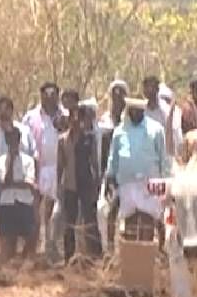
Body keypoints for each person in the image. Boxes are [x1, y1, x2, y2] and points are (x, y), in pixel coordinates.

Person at [104, 97, 169, 239]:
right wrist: (110, 177)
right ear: (128, 110)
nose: (136, 113)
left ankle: (156, 253)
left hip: (151, 183)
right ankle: (129, 254)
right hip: (127, 183)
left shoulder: (156, 129)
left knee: (151, 220)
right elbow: (113, 158)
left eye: (139, 110)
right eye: (133, 110)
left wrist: (166, 182)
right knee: (130, 223)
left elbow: (163, 158)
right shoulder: (120, 131)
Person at [23, 83, 65, 259]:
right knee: (38, 211)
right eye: (46, 94)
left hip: (60, 169)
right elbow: (25, 142)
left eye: (53, 94)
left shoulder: (65, 116)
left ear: (57, 96)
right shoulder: (31, 117)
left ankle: (54, 246)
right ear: (40, 96)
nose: (49, 98)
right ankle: (37, 249)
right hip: (39, 168)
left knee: (58, 211)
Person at [56, 100, 102, 261]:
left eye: (78, 118)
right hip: (70, 184)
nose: (75, 121)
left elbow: (94, 163)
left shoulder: (90, 138)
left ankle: (93, 255)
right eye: (73, 118)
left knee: (89, 218)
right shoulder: (62, 140)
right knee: (69, 221)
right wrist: (58, 185)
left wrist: (97, 182)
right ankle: (69, 256)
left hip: (86, 184)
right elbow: (60, 165)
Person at [0, 126, 37, 260]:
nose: (13, 143)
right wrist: (11, 162)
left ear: (19, 141)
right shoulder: (0, 162)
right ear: (7, 142)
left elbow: (29, 184)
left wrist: (13, 184)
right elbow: (3, 183)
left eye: (15, 140)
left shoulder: (28, 161)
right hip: (7, 203)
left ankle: (24, 271)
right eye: (10, 140)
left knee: (29, 239)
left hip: (24, 202)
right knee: (8, 241)